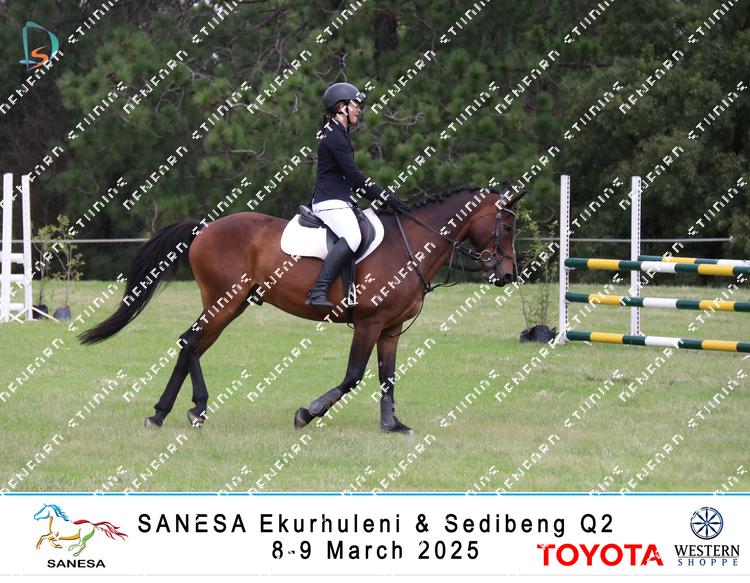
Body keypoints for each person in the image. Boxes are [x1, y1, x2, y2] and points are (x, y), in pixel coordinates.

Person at [306, 82, 404, 308]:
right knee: (352, 237)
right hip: (329, 201)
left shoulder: (339, 134)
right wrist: (386, 197)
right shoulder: (334, 136)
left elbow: (353, 181)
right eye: (355, 105)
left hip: (339, 200)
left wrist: (381, 198)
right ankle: (318, 291)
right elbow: (356, 177)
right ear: (342, 107)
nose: (359, 109)